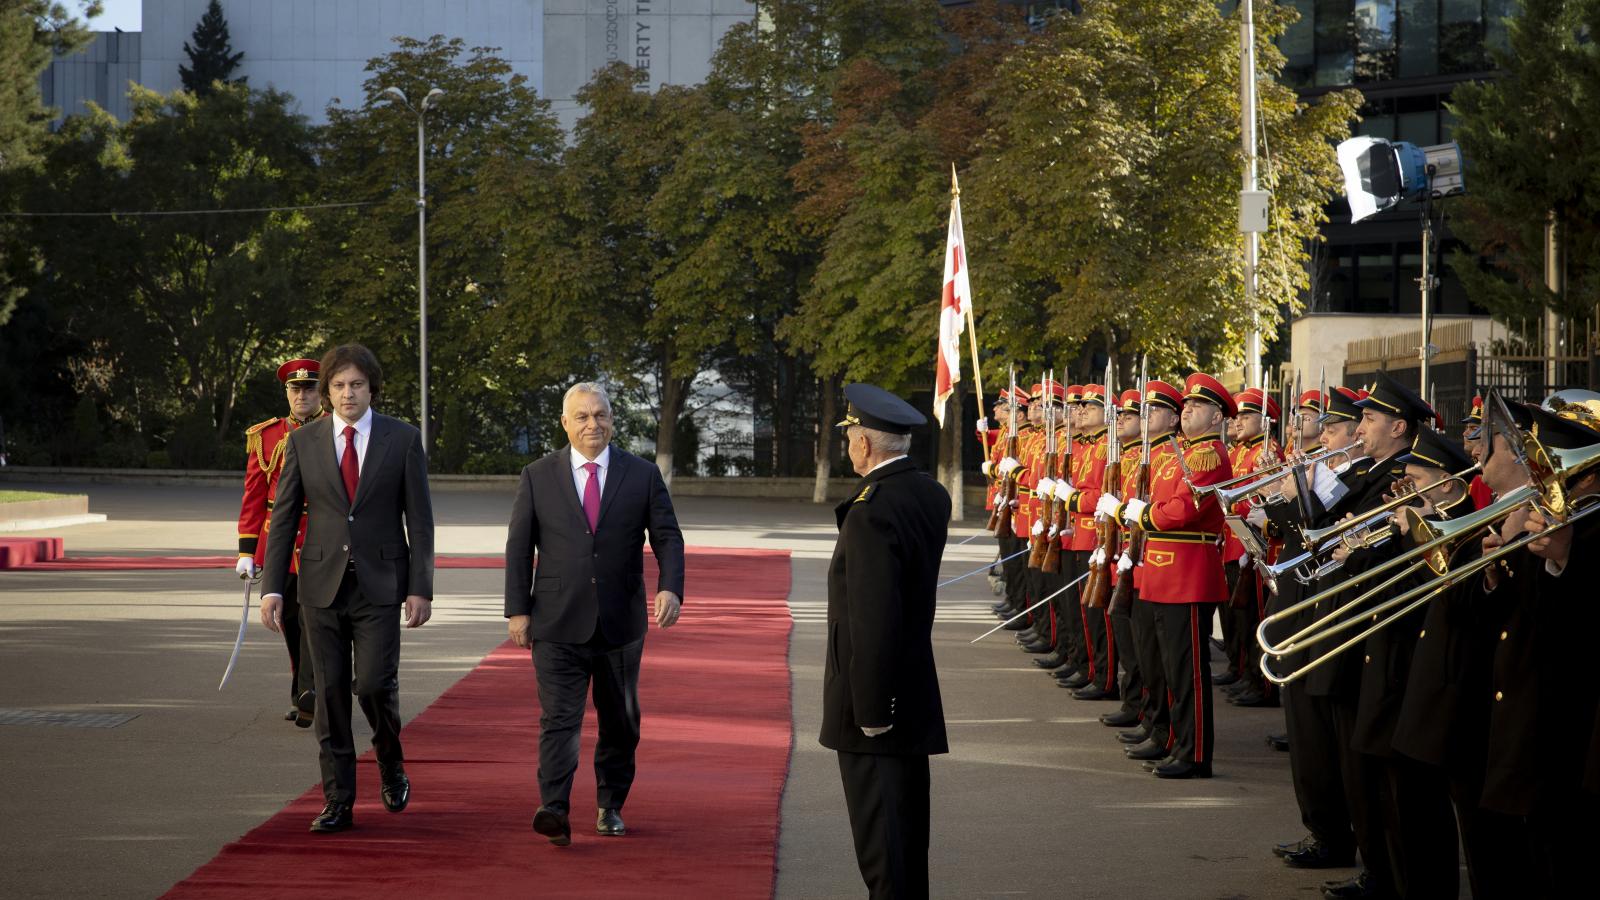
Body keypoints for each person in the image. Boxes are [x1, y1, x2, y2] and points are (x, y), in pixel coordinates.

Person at [259, 344, 435, 834]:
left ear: (371, 388)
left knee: (374, 685)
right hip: (318, 586)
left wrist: (421, 587)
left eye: (356, 384)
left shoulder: (402, 440)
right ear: (325, 392)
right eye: (337, 385)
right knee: (330, 693)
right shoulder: (304, 442)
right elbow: (284, 518)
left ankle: (390, 759)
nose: (346, 393)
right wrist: (273, 587)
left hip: (381, 585)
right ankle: (338, 801)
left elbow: (420, 522)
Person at [504, 382, 685, 847]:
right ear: (564, 423)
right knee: (559, 719)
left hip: (620, 623)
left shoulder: (641, 475)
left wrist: (670, 588)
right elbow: (519, 549)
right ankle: (555, 808)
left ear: (612, 419)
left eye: (600, 415)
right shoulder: (537, 475)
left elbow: (667, 537)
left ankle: (610, 805)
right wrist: (517, 610)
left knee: (620, 719)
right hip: (556, 620)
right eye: (581, 416)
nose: (592, 424)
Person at [822, 383, 950, 900]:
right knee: (905, 833)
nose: (848, 444)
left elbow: (873, 618)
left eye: (850, 435)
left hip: (875, 701)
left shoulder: (872, 510)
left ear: (865, 444)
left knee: (884, 845)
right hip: (911, 682)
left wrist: (872, 708)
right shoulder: (926, 493)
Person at [236, 357, 325, 727]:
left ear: (321, 391)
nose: (302, 394)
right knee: (289, 621)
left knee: (314, 619)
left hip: (322, 540)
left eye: (309, 388)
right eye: (295, 388)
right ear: (287, 392)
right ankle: (303, 691)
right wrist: (246, 551)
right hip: (280, 544)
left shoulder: (336, 430)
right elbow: (254, 496)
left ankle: (312, 694)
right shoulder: (266, 435)